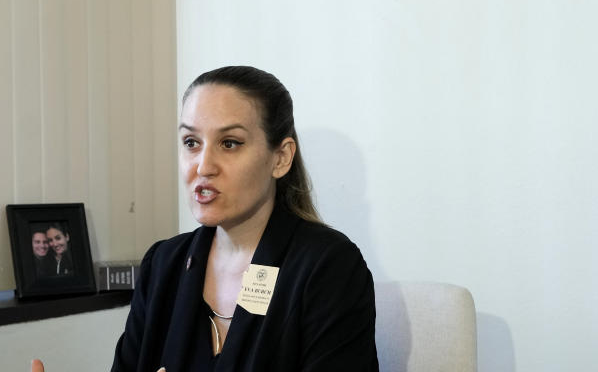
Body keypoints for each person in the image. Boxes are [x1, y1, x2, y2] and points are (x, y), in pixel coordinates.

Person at [31, 66, 378, 372]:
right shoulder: (164, 263)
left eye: (229, 143)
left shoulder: (329, 267)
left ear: (281, 158)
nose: (203, 166)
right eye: (191, 142)